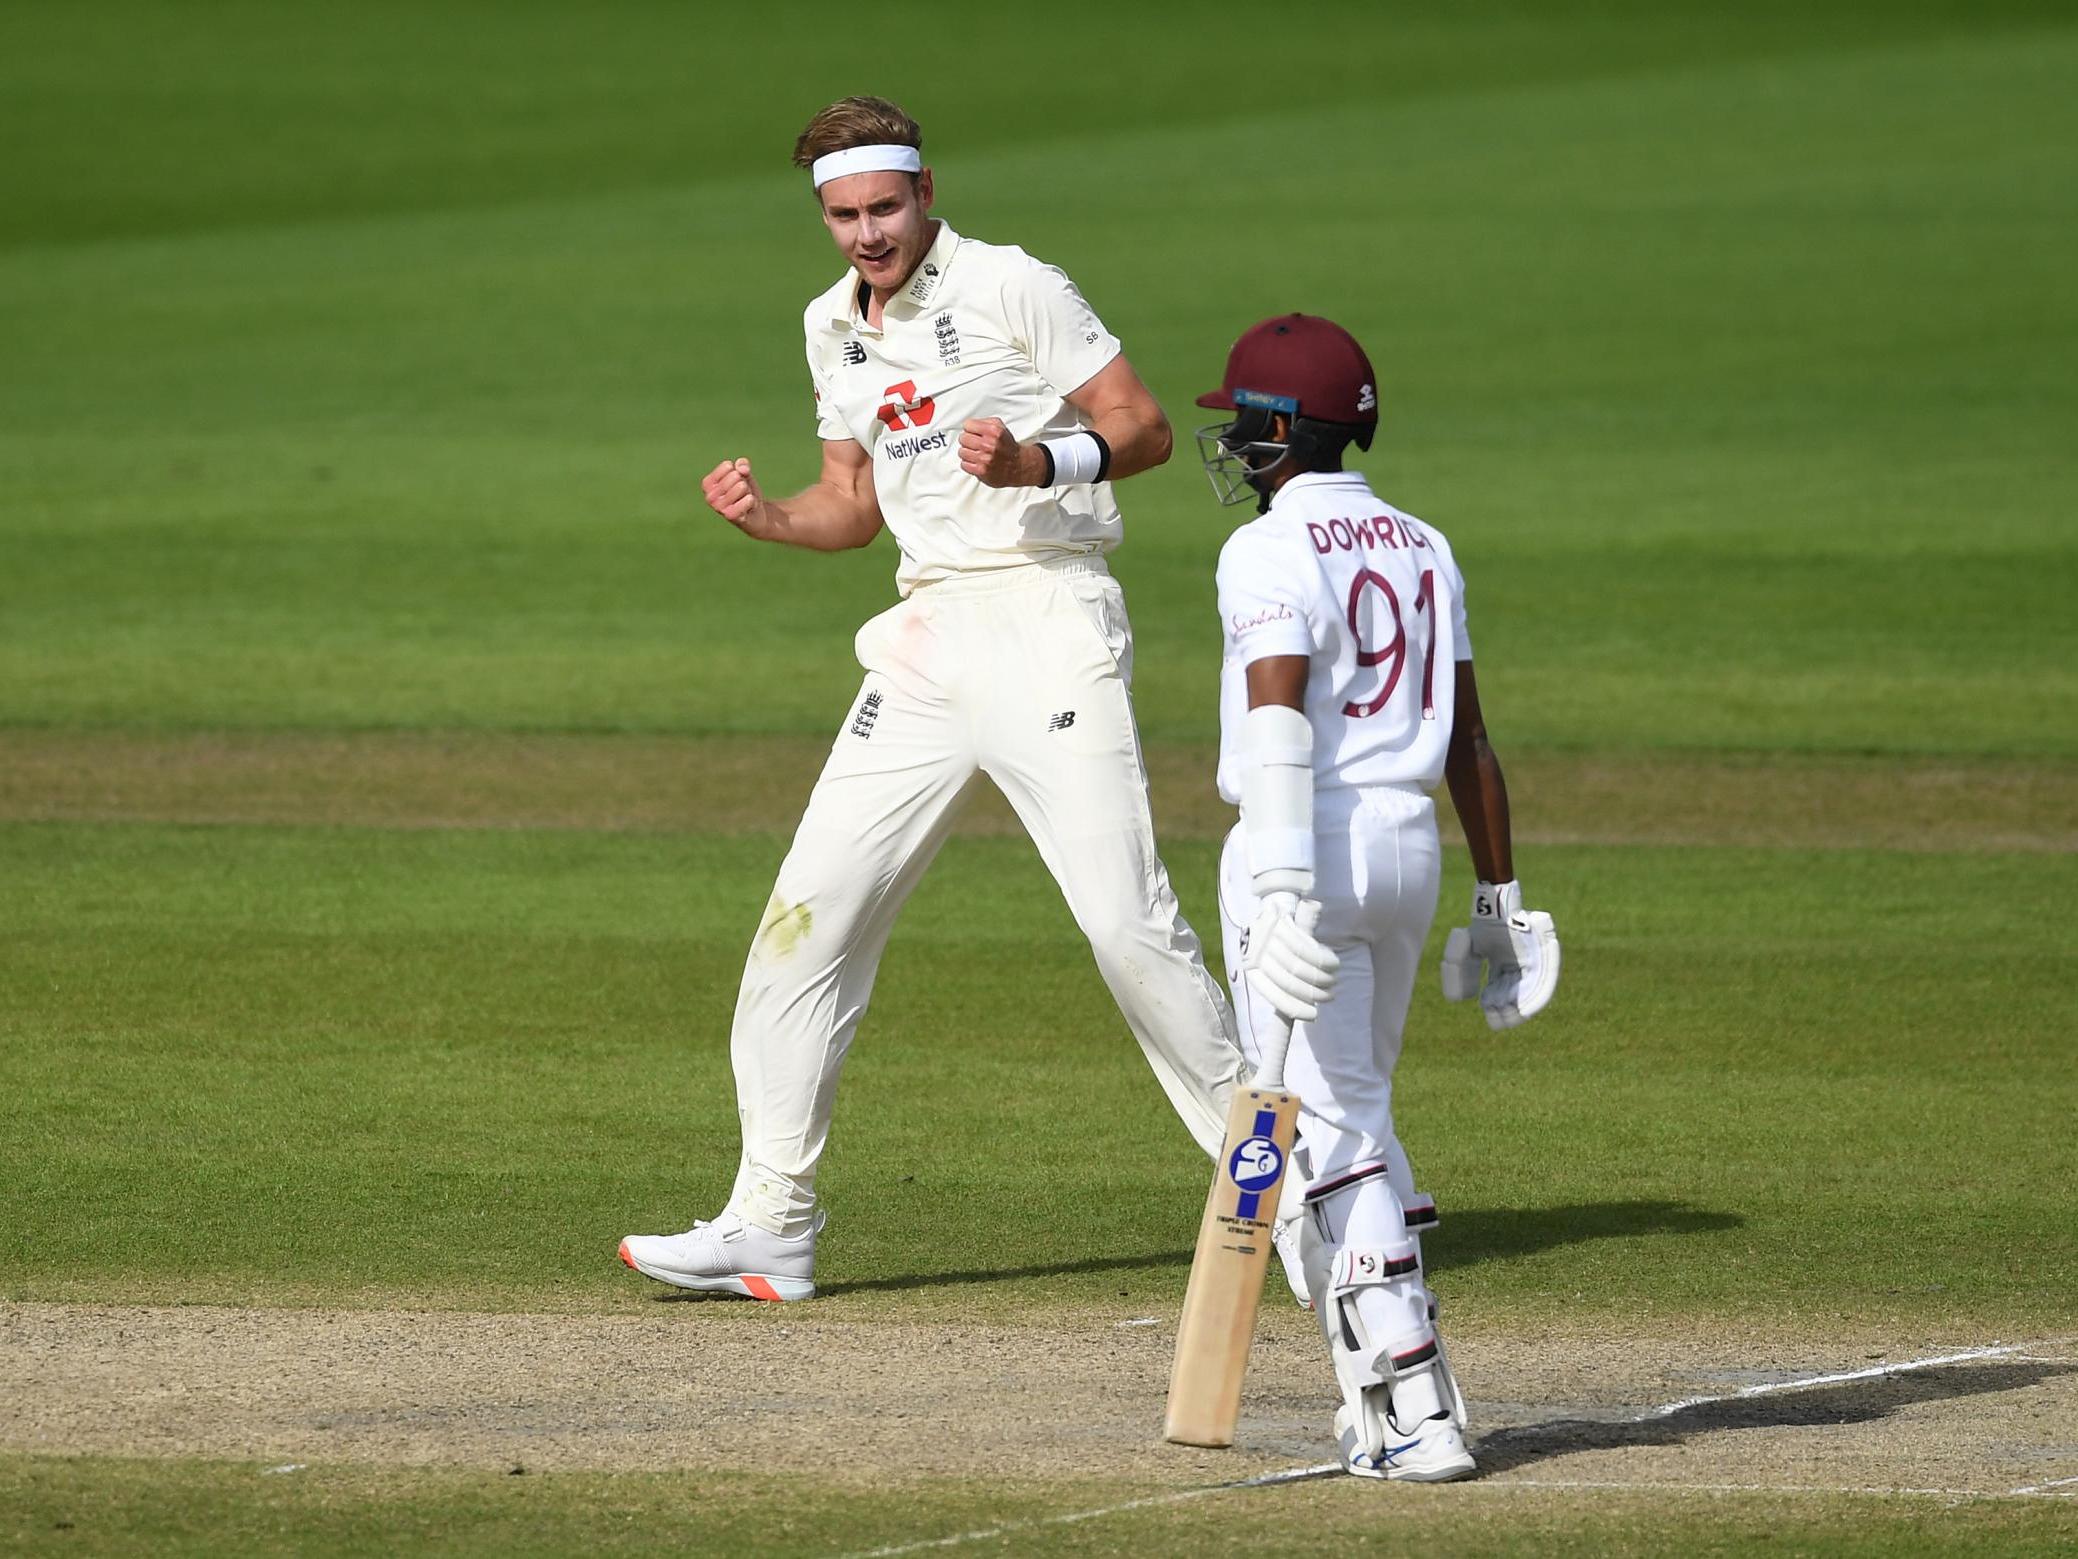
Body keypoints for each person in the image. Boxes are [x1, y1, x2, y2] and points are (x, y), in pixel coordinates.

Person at [617, 96, 1276, 1301]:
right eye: (842, 216)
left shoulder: (1012, 282)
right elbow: (851, 505)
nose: (866, 235)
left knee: (1125, 929)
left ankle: (1287, 1197)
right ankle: (770, 1219)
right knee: (801, 926)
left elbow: (1140, 430)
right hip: (924, 639)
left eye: (882, 208)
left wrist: (1038, 461)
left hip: (1046, 613)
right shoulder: (829, 325)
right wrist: (768, 519)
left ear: (923, 191)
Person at [1194, 313, 1561, 1481]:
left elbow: (1276, 719)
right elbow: (1470, 737)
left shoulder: (1263, 549)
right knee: (1358, 1118)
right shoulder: (1420, 539)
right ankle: (1380, 1401)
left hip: (1305, 847)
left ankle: (1417, 1413)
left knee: (1336, 1134)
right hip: (1409, 856)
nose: (1233, 441)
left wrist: (1288, 889)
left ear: (1277, 428)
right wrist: (1500, 897)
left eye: (1241, 420)